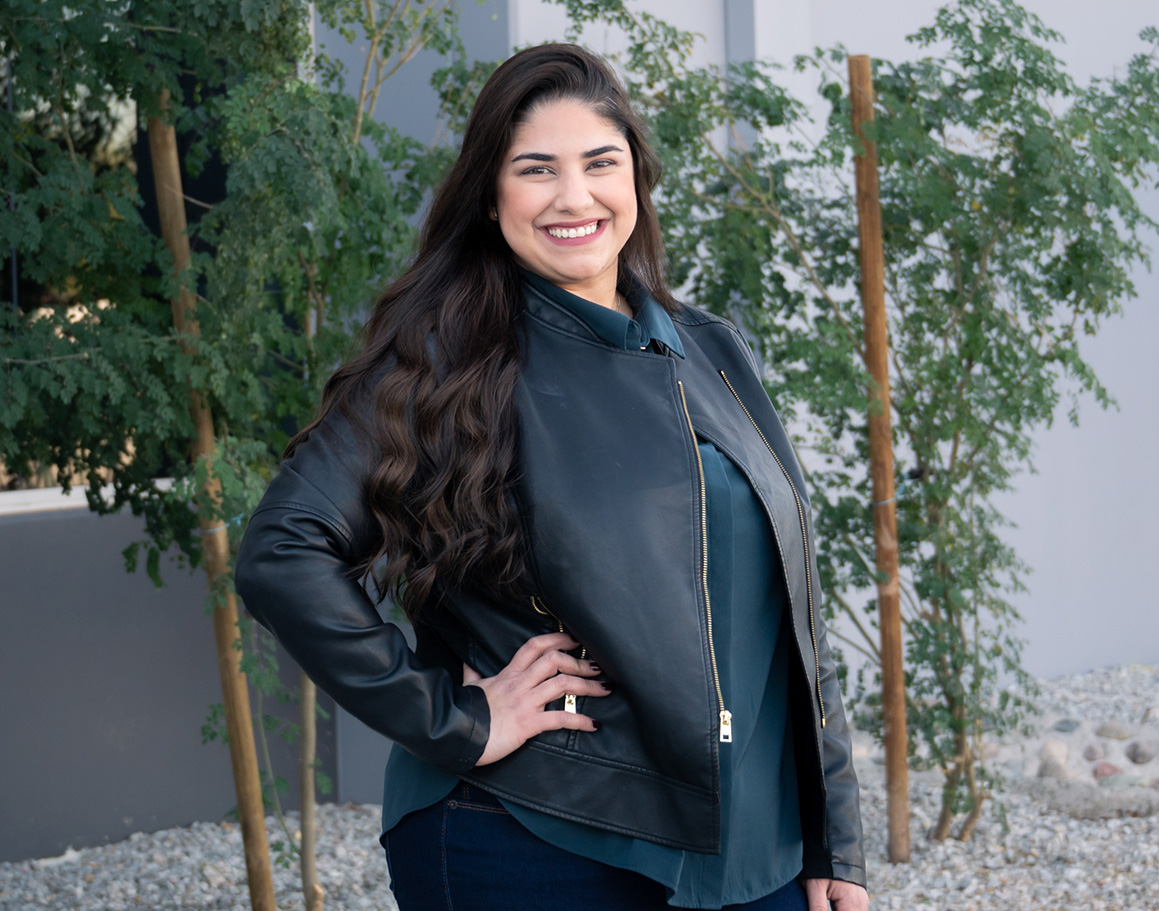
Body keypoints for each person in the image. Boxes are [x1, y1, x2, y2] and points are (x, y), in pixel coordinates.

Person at [234, 43, 868, 911]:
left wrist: (835, 836)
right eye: (536, 169)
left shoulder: (713, 352)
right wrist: (452, 716)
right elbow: (283, 550)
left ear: (636, 180)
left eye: (599, 163)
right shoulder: (444, 362)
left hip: (756, 851)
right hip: (532, 831)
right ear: (492, 200)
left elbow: (792, 607)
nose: (574, 197)